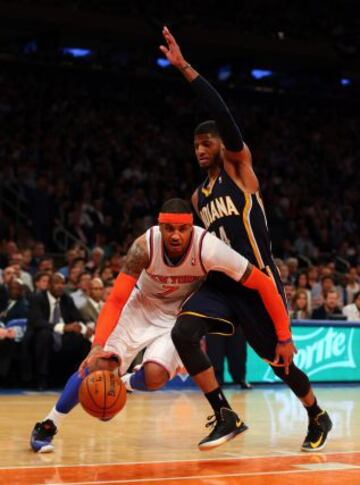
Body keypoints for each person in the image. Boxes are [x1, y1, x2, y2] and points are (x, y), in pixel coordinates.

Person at [160, 26, 332, 452]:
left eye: (206, 143)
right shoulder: (199, 196)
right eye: (195, 145)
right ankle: (224, 414)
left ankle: (316, 413)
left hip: (258, 283)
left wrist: (185, 70)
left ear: (220, 144)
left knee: (279, 363)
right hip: (222, 285)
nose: (199, 150)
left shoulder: (239, 169)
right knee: (183, 333)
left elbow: (223, 115)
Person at [30, 198, 290, 453]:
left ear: (191, 228)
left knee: (155, 376)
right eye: (169, 229)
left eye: (182, 229)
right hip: (140, 306)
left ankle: (121, 384)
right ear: (160, 226)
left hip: (176, 316)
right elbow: (117, 298)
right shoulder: (144, 246)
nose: (175, 235)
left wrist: (284, 336)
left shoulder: (208, 247)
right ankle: (48, 424)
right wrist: (97, 345)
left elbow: (264, 283)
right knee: (98, 365)